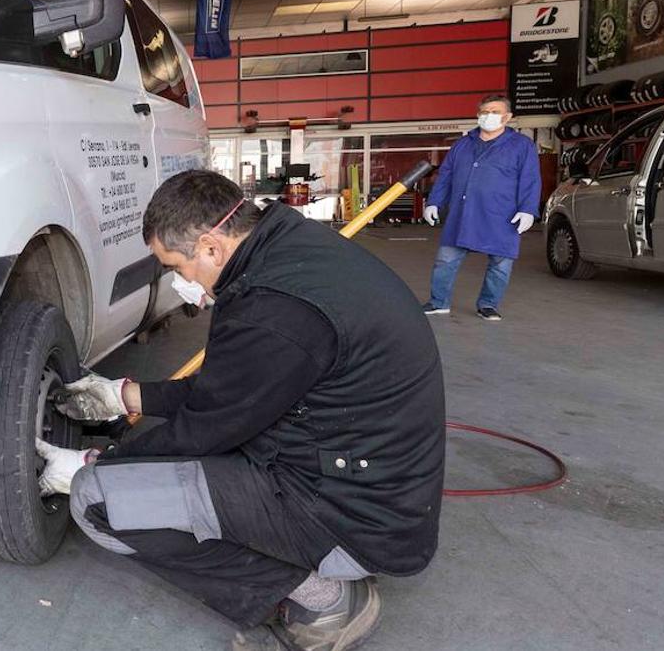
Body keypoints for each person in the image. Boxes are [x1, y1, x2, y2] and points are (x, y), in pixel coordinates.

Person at [34, 170, 446, 651]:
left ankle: (326, 599)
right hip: (368, 476)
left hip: (352, 514)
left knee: (96, 499)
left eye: (176, 267)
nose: (181, 281)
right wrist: (126, 395)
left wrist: (96, 464)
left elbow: (204, 430)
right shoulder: (289, 245)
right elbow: (232, 391)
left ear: (210, 246)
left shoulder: (272, 310)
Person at [421, 94, 542, 321]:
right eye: (485, 112)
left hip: (502, 215)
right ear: (478, 115)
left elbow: (531, 179)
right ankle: (439, 302)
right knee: (445, 259)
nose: (489, 116)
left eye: (495, 112)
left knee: (500, 262)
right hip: (463, 213)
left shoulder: (521, 146)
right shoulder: (463, 144)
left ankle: (488, 304)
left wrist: (527, 209)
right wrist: (434, 202)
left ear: (507, 117)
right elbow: (446, 175)